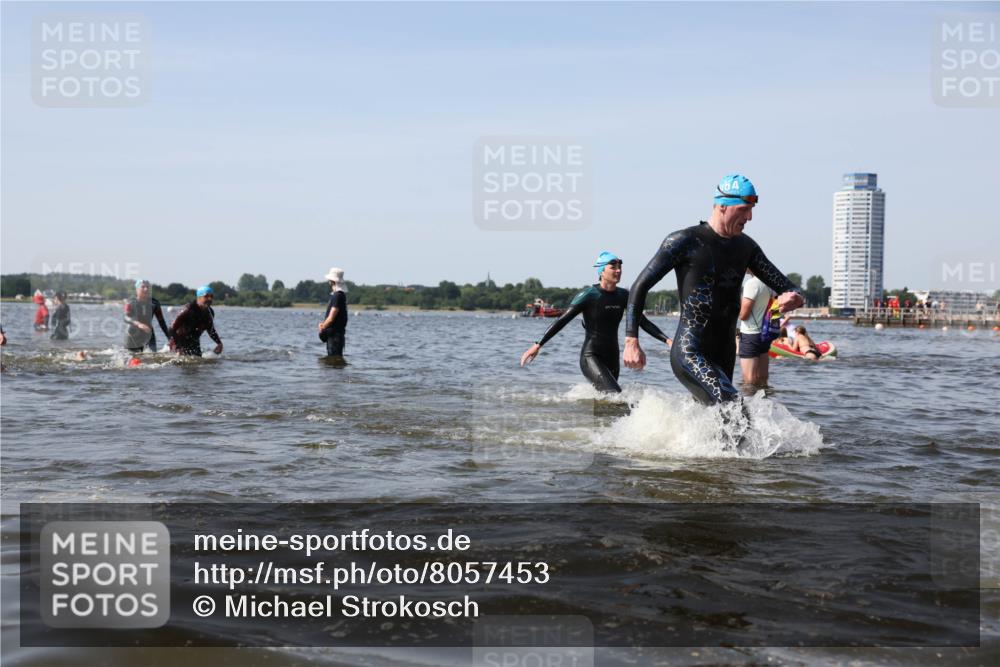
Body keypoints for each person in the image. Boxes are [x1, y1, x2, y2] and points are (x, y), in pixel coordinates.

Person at [624, 174, 803, 406]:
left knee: (718, 423)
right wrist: (631, 341)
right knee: (734, 411)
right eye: (743, 209)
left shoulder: (746, 247)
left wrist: (795, 297)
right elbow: (639, 286)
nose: (749, 217)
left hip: (725, 351)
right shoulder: (684, 240)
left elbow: (787, 286)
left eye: (751, 210)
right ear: (721, 206)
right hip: (690, 350)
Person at [520, 252, 672, 394]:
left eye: (620, 267)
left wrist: (668, 340)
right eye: (613, 267)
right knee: (614, 395)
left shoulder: (624, 296)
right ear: (601, 271)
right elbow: (563, 320)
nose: (618, 270)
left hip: (612, 357)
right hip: (591, 356)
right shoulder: (589, 295)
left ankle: (595, 424)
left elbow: (642, 322)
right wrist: (538, 344)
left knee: (605, 405)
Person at [737, 272, 776, 386]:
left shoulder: (751, 284)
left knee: (748, 379)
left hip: (750, 333)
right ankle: (763, 402)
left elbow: (744, 315)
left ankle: (749, 403)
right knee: (762, 377)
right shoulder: (769, 284)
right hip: (764, 333)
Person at [168, 285, 222, 357]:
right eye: (206, 296)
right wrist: (178, 347)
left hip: (194, 342)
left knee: (198, 362)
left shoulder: (210, 313)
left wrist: (219, 343)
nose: (209, 299)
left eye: (211, 296)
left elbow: (211, 330)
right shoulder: (188, 309)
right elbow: (171, 329)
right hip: (178, 341)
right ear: (199, 298)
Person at [123, 279, 171, 352]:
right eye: (143, 287)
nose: (146, 289)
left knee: (152, 357)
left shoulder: (155, 303)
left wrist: (170, 338)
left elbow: (162, 322)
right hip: (132, 334)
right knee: (132, 359)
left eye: (148, 287)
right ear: (137, 289)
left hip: (149, 334)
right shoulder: (130, 302)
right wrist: (139, 324)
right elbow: (126, 317)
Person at [318, 267, 349, 357]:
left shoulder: (337, 296)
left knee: (333, 361)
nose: (329, 282)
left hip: (335, 337)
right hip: (337, 336)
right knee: (335, 363)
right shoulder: (340, 295)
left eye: (329, 280)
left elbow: (331, 318)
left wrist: (322, 326)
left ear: (333, 281)